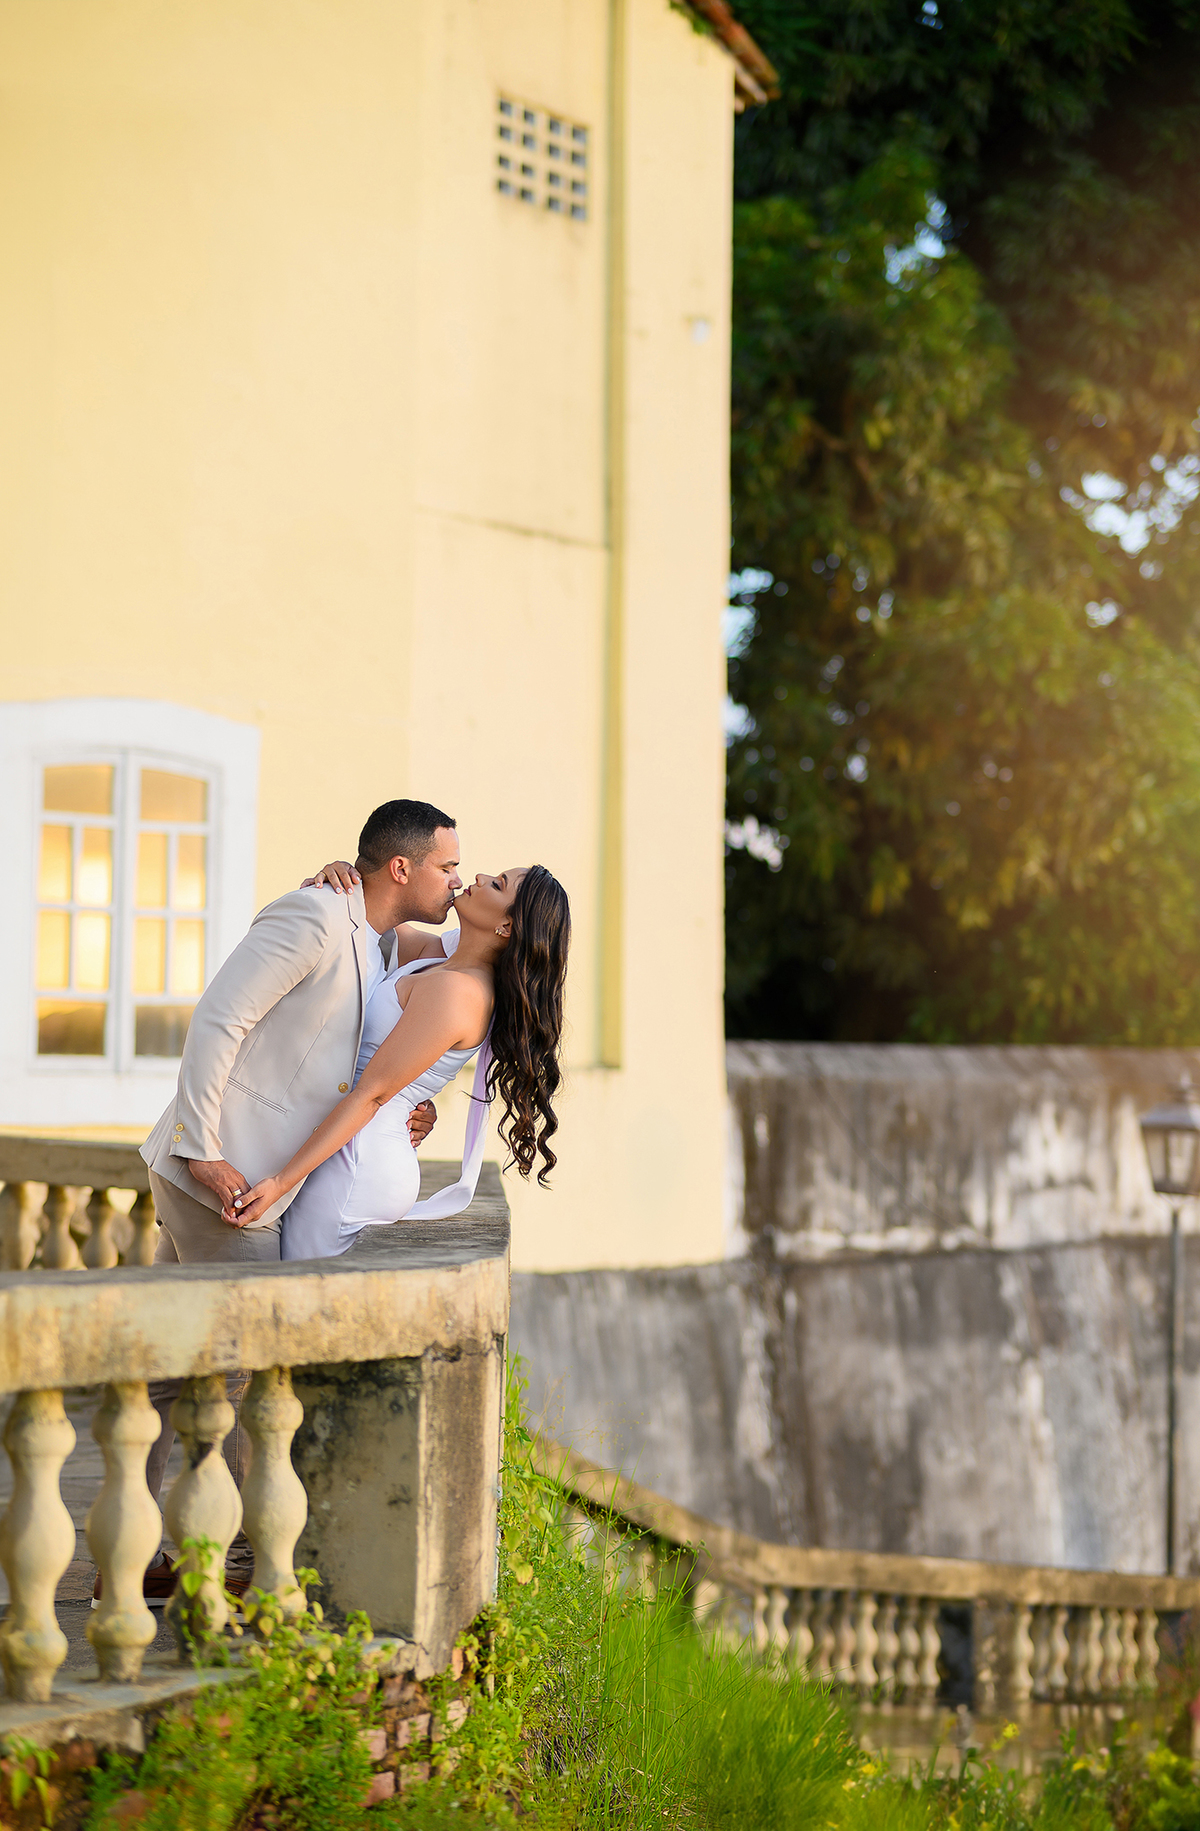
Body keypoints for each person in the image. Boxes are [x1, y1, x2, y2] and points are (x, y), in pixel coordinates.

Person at [127, 798, 459, 1603]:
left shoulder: (376, 937)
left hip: (248, 1176)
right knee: (238, 1375)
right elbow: (218, 1019)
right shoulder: (314, 914)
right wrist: (201, 1148)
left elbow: (353, 1060)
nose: (458, 879)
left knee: (171, 1374)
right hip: (231, 1179)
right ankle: (228, 1561)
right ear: (402, 866)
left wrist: (407, 1111)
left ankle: (136, 1552)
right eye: (448, 866)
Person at [226, 863, 571, 1258]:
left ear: (507, 927)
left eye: (497, 884)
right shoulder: (439, 959)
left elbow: (373, 1095)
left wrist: (280, 1183)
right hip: (345, 1142)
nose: (478, 878)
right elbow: (378, 912)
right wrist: (345, 875)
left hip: (356, 1161)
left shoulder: (458, 991)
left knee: (304, 1289)